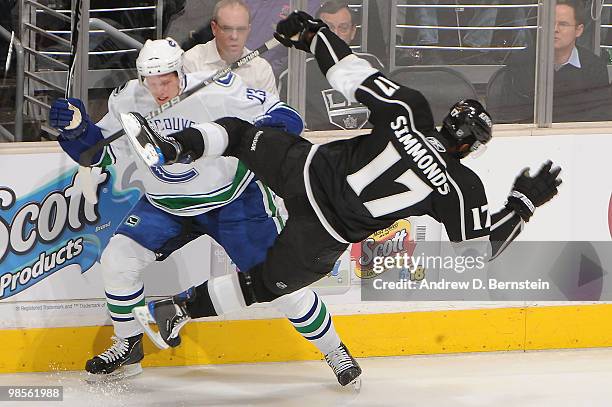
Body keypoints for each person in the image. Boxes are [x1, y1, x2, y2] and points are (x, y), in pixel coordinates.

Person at [123, 11, 561, 386]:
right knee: (265, 284)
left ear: (448, 121)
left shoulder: (410, 110)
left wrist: (313, 34)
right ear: (473, 147)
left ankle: (174, 147)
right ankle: (179, 308)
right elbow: (479, 248)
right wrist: (524, 202)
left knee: (237, 134)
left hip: (308, 170)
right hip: (328, 232)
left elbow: (348, 73)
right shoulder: (461, 186)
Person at [47, 37, 352, 384]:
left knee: (282, 282)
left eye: (166, 80)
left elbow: (288, 116)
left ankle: (334, 349)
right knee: (118, 259)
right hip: (166, 206)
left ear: (180, 71)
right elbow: (96, 154)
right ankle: (128, 346)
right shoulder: (128, 98)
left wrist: (266, 132)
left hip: (231, 202)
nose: (160, 91)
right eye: (152, 82)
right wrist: (76, 130)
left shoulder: (217, 89)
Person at [278, 0, 385, 130]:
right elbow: (287, 127)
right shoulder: (295, 71)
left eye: (343, 28)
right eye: (328, 28)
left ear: (353, 32)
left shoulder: (372, 65)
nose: (335, 34)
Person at [503, 0, 611, 122]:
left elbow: (600, 117)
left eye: (563, 24)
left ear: (578, 30)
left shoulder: (595, 67)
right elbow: (510, 115)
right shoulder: (520, 62)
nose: (555, 29)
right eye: (550, 23)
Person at [183, 0, 278, 96]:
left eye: (241, 29)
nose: (234, 36)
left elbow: (274, 110)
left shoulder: (261, 69)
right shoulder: (191, 62)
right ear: (214, 28)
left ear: (248, 30)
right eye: (227, 29)